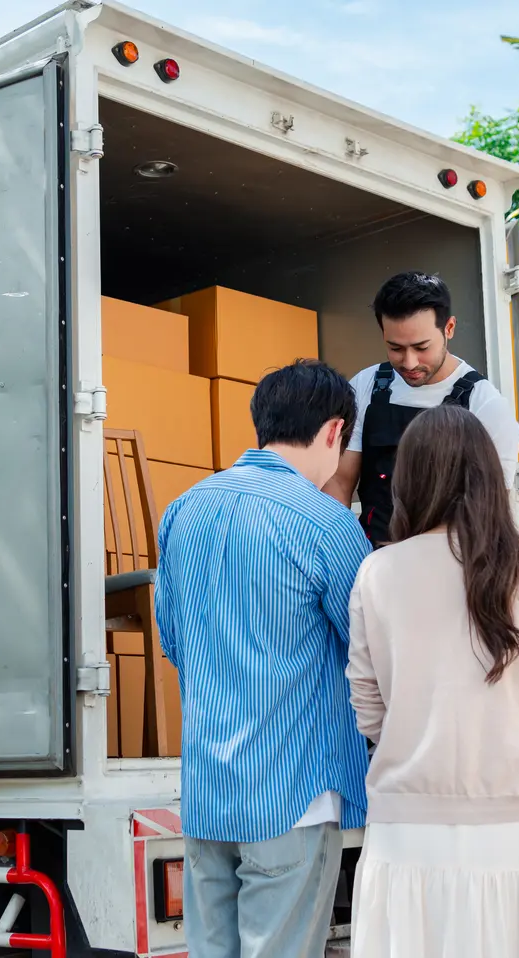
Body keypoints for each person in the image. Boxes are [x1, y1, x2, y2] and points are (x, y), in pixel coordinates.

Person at [345, 404, 519, 958]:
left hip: (409, 828)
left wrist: (417, 744)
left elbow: (368, 704)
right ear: (489, 475)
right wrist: (508, 749)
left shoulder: (379, 572)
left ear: (410, 480)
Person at [155, 359, 372, 958]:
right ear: (334, 432)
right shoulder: (326, 522)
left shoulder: (184, 509)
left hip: (207, 793)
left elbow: (172, 640)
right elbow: (368, 652)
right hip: (292, 795)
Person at [325, 271, 519, 546]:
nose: (409, 362)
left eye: (421, 347)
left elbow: (491, 511)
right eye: (395, 348)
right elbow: (338, 482)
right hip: (372, 560)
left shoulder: (485, 405)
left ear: (449, 329)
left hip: (447, 565)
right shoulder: (366, 385)